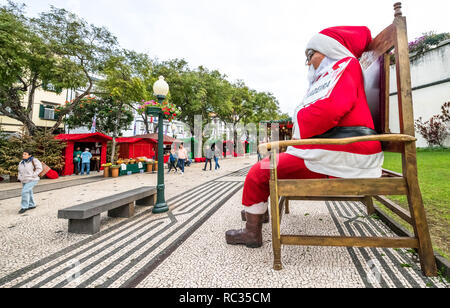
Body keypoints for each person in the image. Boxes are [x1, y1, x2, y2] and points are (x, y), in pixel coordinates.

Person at [226, 26, 384, 248]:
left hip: (343, 152)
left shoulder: (345, 66)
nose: (308, 63)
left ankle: (251, 234)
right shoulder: (337, 71)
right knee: (264, 167)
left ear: (329, 49)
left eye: (311, 55)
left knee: (258, 172)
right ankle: (258, 212)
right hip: (338, 148)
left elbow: (329, 110)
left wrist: (299, 122)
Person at [17, 149, 42, 214]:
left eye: (25, 154)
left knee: (24, 191)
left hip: (33, 179)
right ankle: (32, 205)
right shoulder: (21, 162)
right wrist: (20, 177)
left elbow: (39, 168)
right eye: (23, 154)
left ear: (30, 155)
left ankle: (24, 207)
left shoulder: (34, 160)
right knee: (29, 191)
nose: (23, 155)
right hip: (24, 180)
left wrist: (33, 175)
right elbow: (19, 171)